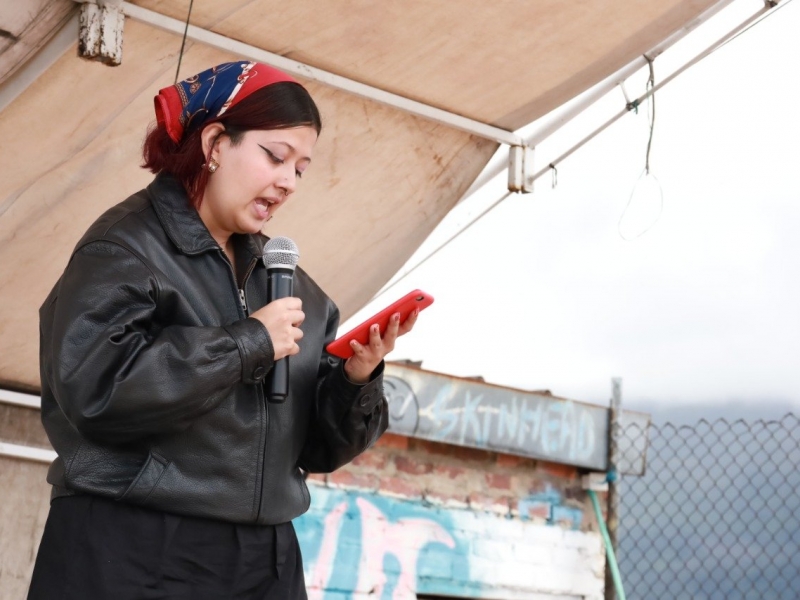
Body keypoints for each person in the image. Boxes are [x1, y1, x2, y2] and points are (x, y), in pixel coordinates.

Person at [28, 60, 417, 599]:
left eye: (300, 170)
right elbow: (98, 392)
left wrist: (355, 381)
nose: (287, 182)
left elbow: (320, 453)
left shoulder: (293, 286)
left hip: (265, 560)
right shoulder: (121, 249)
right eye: (275, 157)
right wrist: (248, 342)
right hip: (131, 547)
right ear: (214, 142)